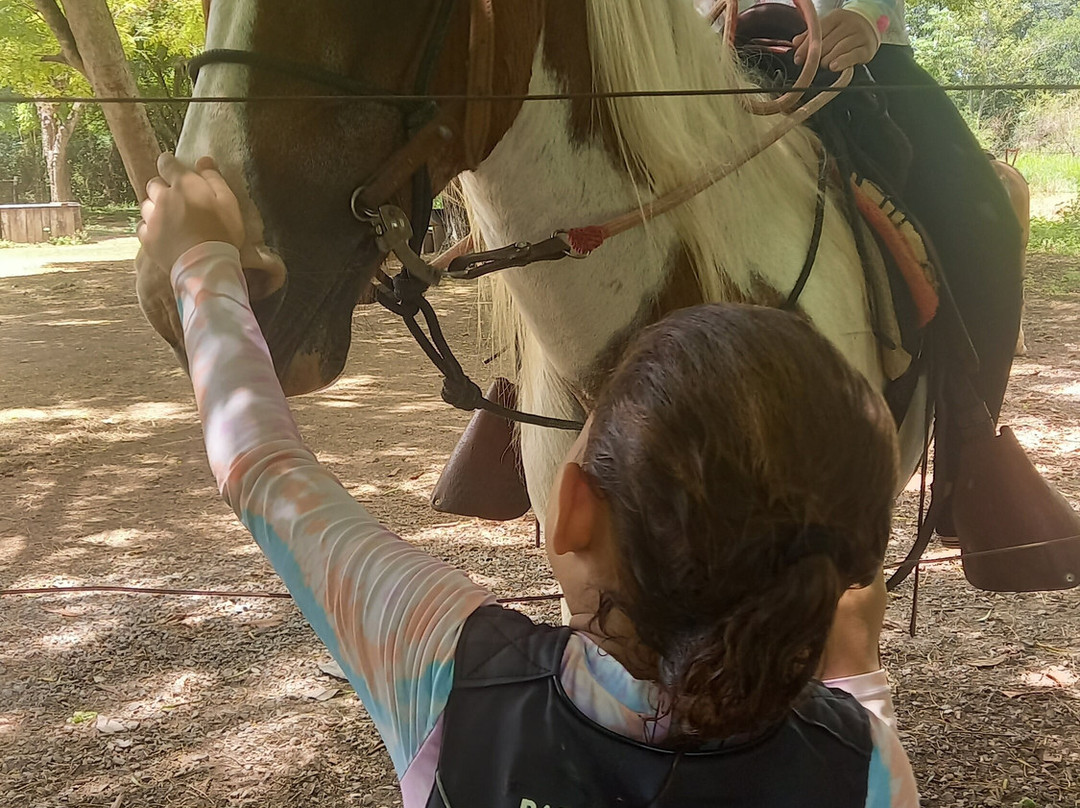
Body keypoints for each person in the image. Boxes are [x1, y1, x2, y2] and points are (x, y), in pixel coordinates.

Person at [137, 153, 918, 806]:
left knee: (957, 189)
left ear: (571, 506)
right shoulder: (867, 765)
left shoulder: (449, 667)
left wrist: (199, 261)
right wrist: (856, 680)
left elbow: (261, 465)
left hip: (827, 60)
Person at [787, 0, 1023, 457]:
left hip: (856, 52)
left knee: (984, 228)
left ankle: (970, 466)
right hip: (696, 58)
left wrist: (867, 16)